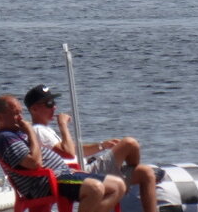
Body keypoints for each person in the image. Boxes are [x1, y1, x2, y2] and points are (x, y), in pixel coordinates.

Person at [23, 84, 160, 212]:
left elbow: (73, 150)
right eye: (49, 104)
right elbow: (69, 153)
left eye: (54, 103)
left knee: (145, 172)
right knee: (130, 143)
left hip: (82, 167)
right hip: (78, 173)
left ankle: (127, 178)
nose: (54, 108)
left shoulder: (45, 130)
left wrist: (101, 145)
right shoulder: (38, 130)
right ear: (34, 109)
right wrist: (63, 125)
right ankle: (125, 182)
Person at [0, 94, 125, 212]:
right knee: (95, 188)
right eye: (15, 114)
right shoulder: (5, 138)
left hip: (63, 174)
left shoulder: (15, 132)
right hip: (46, 182)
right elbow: (35, 163)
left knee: (118, 186)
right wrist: (30, 131)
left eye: (21, 113)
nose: (20, 118)